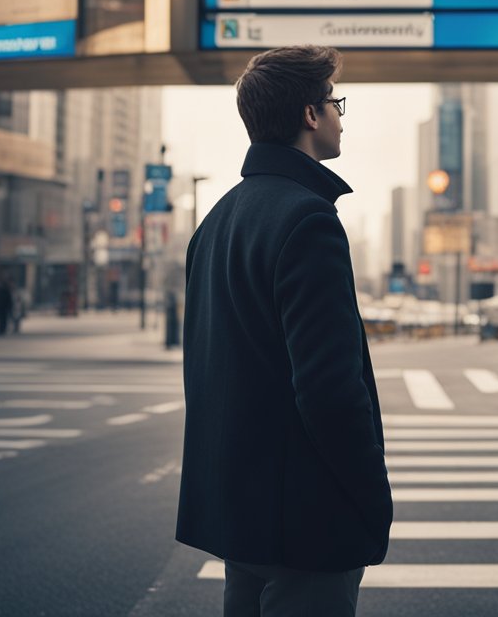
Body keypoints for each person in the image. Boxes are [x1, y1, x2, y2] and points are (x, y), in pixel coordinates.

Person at [176, 45, 391, 617]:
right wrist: (371, 494)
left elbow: (207, 366)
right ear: (309, 114)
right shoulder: (308, 219)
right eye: (335, 102)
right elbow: (329, 388)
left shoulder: (217, 220)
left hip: (239, 512)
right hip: (305, 517)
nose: (340, 114)